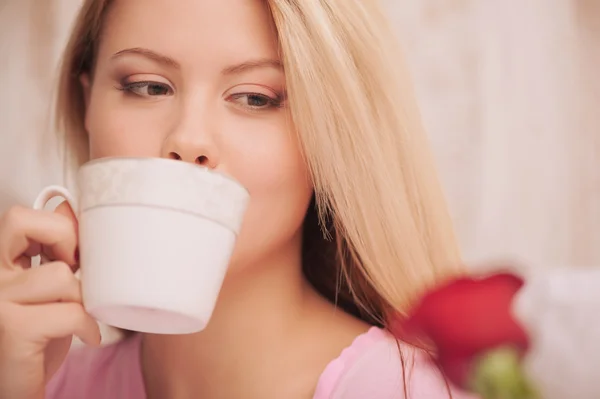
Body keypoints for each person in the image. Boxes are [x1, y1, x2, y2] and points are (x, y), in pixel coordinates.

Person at [0, 0, 476, 398]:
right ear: (87, 106)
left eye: (254, 97)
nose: (188, 139)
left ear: (331, 135)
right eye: (148, 86)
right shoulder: (38, 383)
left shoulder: (407, 390)